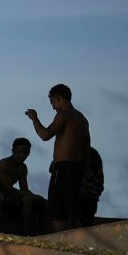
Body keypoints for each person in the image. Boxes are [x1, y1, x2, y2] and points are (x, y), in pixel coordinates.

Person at [26, 84, 92, 231]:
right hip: (78, 169)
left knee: (58, 213)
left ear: (58, 98)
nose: (53, 107)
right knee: (71, 214)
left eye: (52, 103)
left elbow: (45, 135)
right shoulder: (82, 119)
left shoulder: (64, 114)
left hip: (63, 169)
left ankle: (63, 250)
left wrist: (34, 118)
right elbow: (86, 148)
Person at [0, 137, 45, 236]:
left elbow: (24, 189)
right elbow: (7, 189)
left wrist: (37, 197)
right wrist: (32, 196)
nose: (22, 155)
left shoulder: (23, 168)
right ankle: (28, 235)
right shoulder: (4, 164)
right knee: (27, 201)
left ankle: (41, 233)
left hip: (9, 194)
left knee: (41, 202)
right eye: (19, 152)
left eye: (26, 153)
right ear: (13, 151)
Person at [80, 146, 104, 227]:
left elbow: (52, 168)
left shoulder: (72, 151)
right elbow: (101, 181)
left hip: (79, 198)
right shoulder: (94, 153)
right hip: (91, 198)